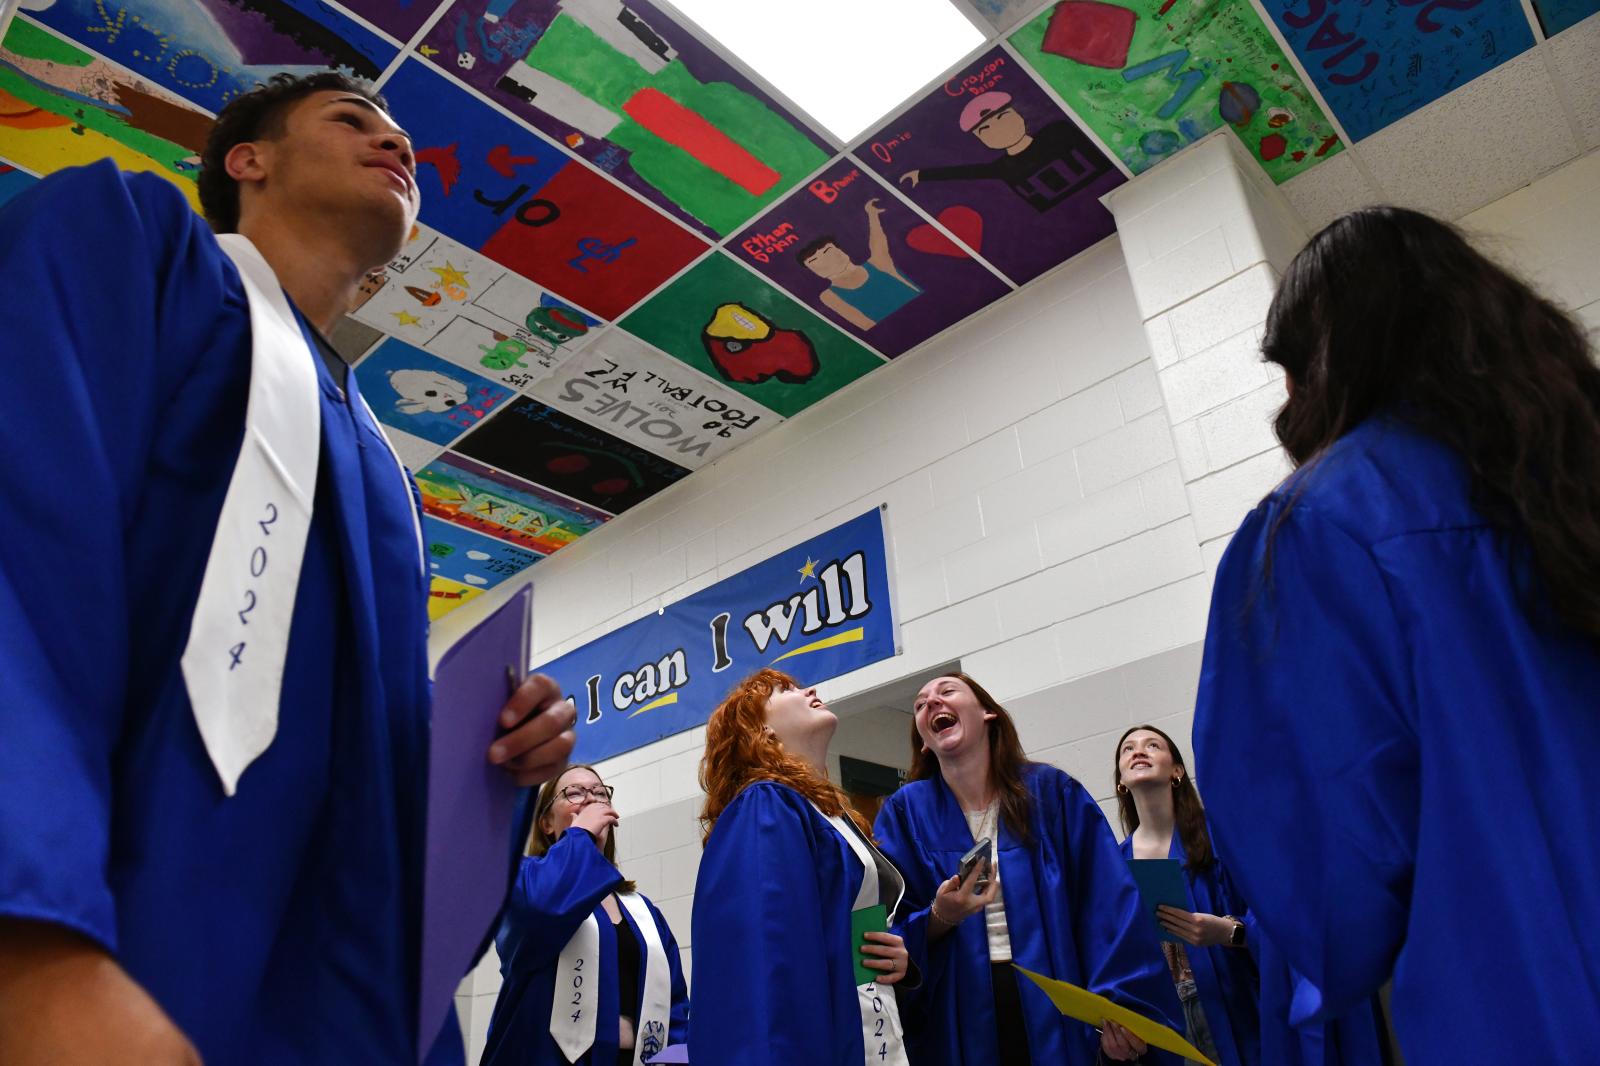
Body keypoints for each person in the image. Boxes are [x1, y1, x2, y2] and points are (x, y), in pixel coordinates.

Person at [0, 73, 577, 1064]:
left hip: (352, 1005)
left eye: (404, 139)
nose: (396, 145)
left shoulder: (383, 469)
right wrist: (29, 948)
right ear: (248, 161)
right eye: (354, 121)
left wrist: (498, 764)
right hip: (121, 956)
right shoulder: (131, 243)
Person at [1193, 205, 1600, 1064]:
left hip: (1532, 995)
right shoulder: (1572, 474)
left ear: (1331, 357)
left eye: (1292, 374)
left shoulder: (1324, 522)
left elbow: (1321, 858)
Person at [873, 672, 1182, 1065]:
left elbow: (1107, 903)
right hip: (957, 1013)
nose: (931, 703)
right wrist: (939, 916)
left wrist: (1119, 1005)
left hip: (1057, 1002)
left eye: (947, 692)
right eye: (919, 704)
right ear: (924, 740)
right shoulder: (904, 814)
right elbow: (888, 928)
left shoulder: (1052, 793)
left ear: (987, 713)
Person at [692, 669, 914, 1065]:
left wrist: (893, 958)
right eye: (787, 690)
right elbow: (768, 964)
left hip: (867, 1028)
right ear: (760, 730)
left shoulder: (832, 817)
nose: (810, 689)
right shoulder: (765, 806)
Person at [482, 764, 689, 1066]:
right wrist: (580, 834)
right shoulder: (522, 881)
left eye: (600, 794)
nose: (591, 799)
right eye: (574, 793)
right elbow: (544, 908)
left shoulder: (643, 911)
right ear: (546, 824)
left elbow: (674, 1002)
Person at [1114, 725, 1258, 1065]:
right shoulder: (1115, 866)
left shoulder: (1219, 838)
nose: (1139, 751)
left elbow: (1273, 920)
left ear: (1176, 771)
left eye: (1153, 745)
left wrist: (1227, 931)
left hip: (1233, 1008)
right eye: (1127, 749)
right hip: (1165, 1023)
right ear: (1120, 780)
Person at [898, 91, 1111, 211]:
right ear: (981, 140)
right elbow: (964, 172)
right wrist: (921, 174)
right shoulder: (1003, 168)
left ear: (1018, 115)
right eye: (985, 129)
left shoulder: (1057, 131)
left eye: (1002, 117)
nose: (998, 129)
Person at [797, 197, 922, 330]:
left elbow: (877, 241)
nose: (824, 260)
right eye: (813, 260)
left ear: (841, 251)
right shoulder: (829, 296)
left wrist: (872, 215)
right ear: (811, 270)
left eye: (827, 250)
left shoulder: (877, 263)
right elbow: (867, 325)